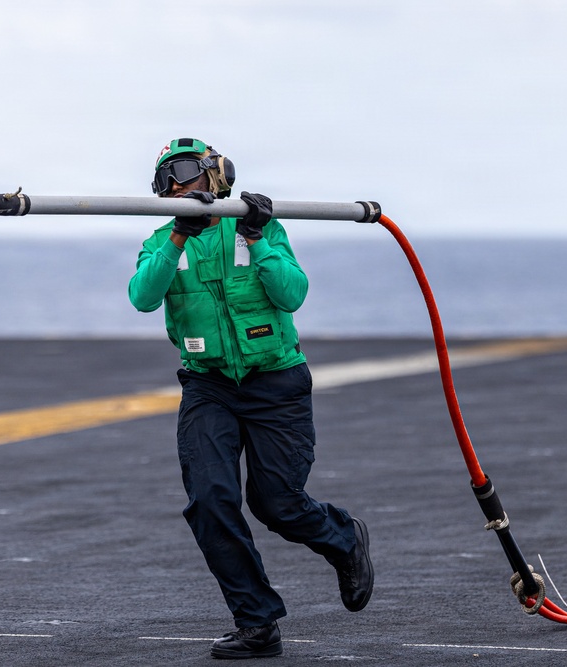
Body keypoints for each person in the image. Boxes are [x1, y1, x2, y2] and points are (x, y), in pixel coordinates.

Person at [128, 138, 373, 659]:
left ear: (216, 175)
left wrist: (257, 237)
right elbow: (143, 297)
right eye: (165, 177)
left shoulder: (259, 226)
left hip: (276, 384)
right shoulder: (161, 240)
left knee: (278, 504)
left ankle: (344, 538)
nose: (175, 184)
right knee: (211, 501)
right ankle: (257, 622)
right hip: (208, 386)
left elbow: (292, 294)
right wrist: (176, 237)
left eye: (187, 171)